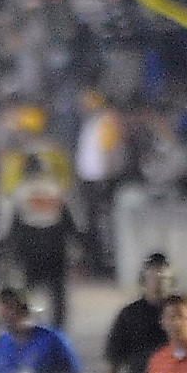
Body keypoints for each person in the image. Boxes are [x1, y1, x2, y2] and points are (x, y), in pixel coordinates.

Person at [1, 154, 82, 330]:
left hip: (30, 246)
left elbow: (10, 225)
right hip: (55, 245)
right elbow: (70, 221)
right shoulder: (55, 189)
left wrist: (7, 250)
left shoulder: (20, 191)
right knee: (58, 291)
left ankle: (27, 324)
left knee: (28, 289)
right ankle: (58, 327)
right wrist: (77, 245)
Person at [101, 253, 175, 373]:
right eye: (153, 275)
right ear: (143, 279)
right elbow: (113, 363)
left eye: (163, 276)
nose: (158, 281)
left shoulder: (182, 313)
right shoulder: (129, 315)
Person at [73, 90, 124, 278]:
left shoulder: (105, 121)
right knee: (91, 223)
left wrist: (107, 180)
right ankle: (95, 263)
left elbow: (108, 151)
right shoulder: (91, 123)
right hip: (89, 180)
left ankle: (103, 264)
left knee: (100, 223)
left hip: (99, 180)